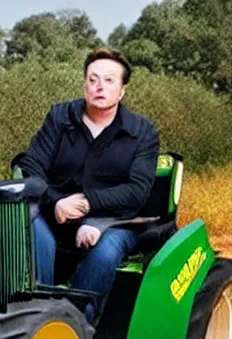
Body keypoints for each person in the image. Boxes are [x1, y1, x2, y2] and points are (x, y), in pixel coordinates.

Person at [13, 48, 160, 323]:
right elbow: (32, 165)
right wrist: (55, 201)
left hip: (117, 221)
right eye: (92, 80)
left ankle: (78, 323)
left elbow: (136, 191)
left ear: (122, 90)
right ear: (84, 85)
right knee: (29, 225)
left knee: (105, 251)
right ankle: (38, 314)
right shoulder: (60, 117)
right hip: (54, 211)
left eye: (108, 81)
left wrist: (89, 207)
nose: (99, 87)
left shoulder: (142, 132)